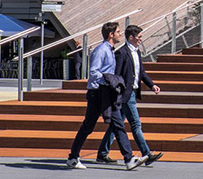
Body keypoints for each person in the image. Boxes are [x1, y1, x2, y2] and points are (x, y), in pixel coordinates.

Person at [66, 22, 147, 170]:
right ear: (111, 35)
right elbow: (93, 73)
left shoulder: (111, 50)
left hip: (107, 93)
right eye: (118, 32)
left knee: (118, 124)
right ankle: (73, 157)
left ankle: (129, 159)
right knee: (88, 126)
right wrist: (109, 80)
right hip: (97, 93)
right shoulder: (101, 50)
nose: (120, 34)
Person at [97, 25, 164, 166]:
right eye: (138, 37)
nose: (141, 39)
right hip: (125, 94)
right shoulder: (121, 53)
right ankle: (147, 153)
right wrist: (119, 91)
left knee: (117, 125)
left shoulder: (136, 52)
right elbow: (117, 75)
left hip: (132, 92)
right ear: (131, 37)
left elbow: (142, 72)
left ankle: (102, 153)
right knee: (135, 124)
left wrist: (152, 85)